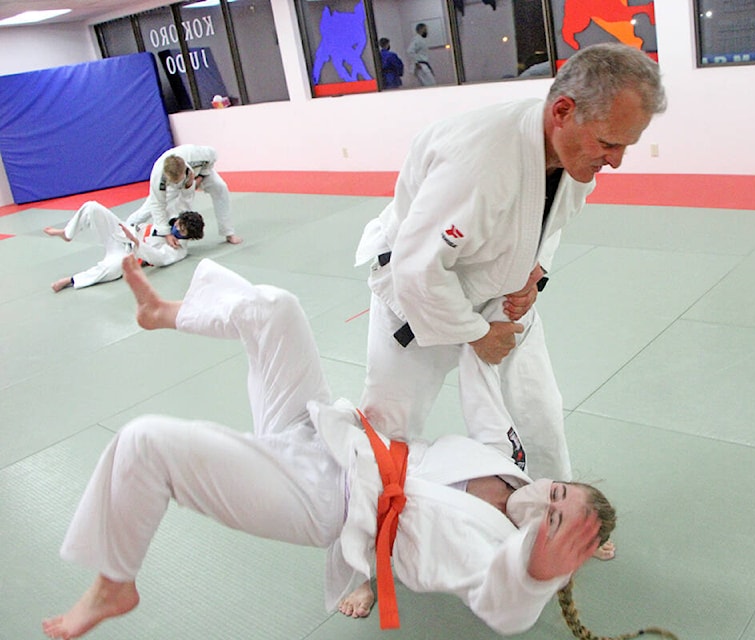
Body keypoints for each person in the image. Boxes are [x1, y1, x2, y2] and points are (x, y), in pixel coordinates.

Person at [39, 256, 676, 640]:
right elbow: (484, 381)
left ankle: (113, 582)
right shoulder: (505, 466)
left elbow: (505, 603)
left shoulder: (496, 553)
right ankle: (165, 312)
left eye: (554, 519)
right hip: (330, 434)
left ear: (554, 548)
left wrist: (538, 570)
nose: (545, 501)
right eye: (558, 491)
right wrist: (494, 312)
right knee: (276, 309)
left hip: (329, 497)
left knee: (145, 442)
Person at [354, 43, 667, 481]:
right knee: (390, 420)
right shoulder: (479, 164)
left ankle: (549, 513)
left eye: (625, 147)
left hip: (502, 296)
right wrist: (476, 335)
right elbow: (418, 266)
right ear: (562, 111)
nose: (615, 161)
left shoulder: (574, 157)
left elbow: (548, 224)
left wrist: (534, 272)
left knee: (538, 412)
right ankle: (373, 520)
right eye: (609, 144)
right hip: (420, 298)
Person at [43, 201, 204, 293]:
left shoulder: (179, 250)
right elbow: (154, 205)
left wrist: (136, 241)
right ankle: (67, 233)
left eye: (182, 231)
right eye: (179, 224)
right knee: (93, 207)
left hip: (130, 252)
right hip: (123, 231)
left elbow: (159, 259)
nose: (177, 229)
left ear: (188, 237)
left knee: (114, 268)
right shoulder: (166, 218)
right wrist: (132, 226)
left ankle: (71, 280)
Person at [125, 144, 242, 246]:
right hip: (171, 185)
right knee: (149, 208)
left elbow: (212, 157)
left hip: (197, 174)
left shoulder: (198, 154)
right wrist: (166, 234)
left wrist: (201, 176)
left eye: (178, 180)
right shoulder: (158, 177)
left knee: (220, 187)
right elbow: (158, 205)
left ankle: (228, 232)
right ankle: (127, 227)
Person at [407, 22, 436, 86]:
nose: (426, 31)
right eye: (425, 29)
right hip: (421, 66)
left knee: (430, 84)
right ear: (421, 29)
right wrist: (416, 62)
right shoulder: (417, 39)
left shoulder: (421, 39)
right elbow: (409, 51)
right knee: (431, 84)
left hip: (423, 65)